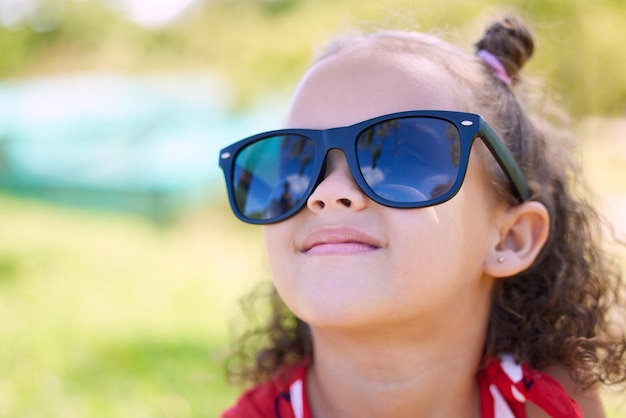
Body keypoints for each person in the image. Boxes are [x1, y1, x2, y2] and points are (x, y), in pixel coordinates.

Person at [217, 16, 626, 417]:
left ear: (510, 238)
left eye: (400, 158)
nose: (327, 192)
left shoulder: (549, 406)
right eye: (296, 165)